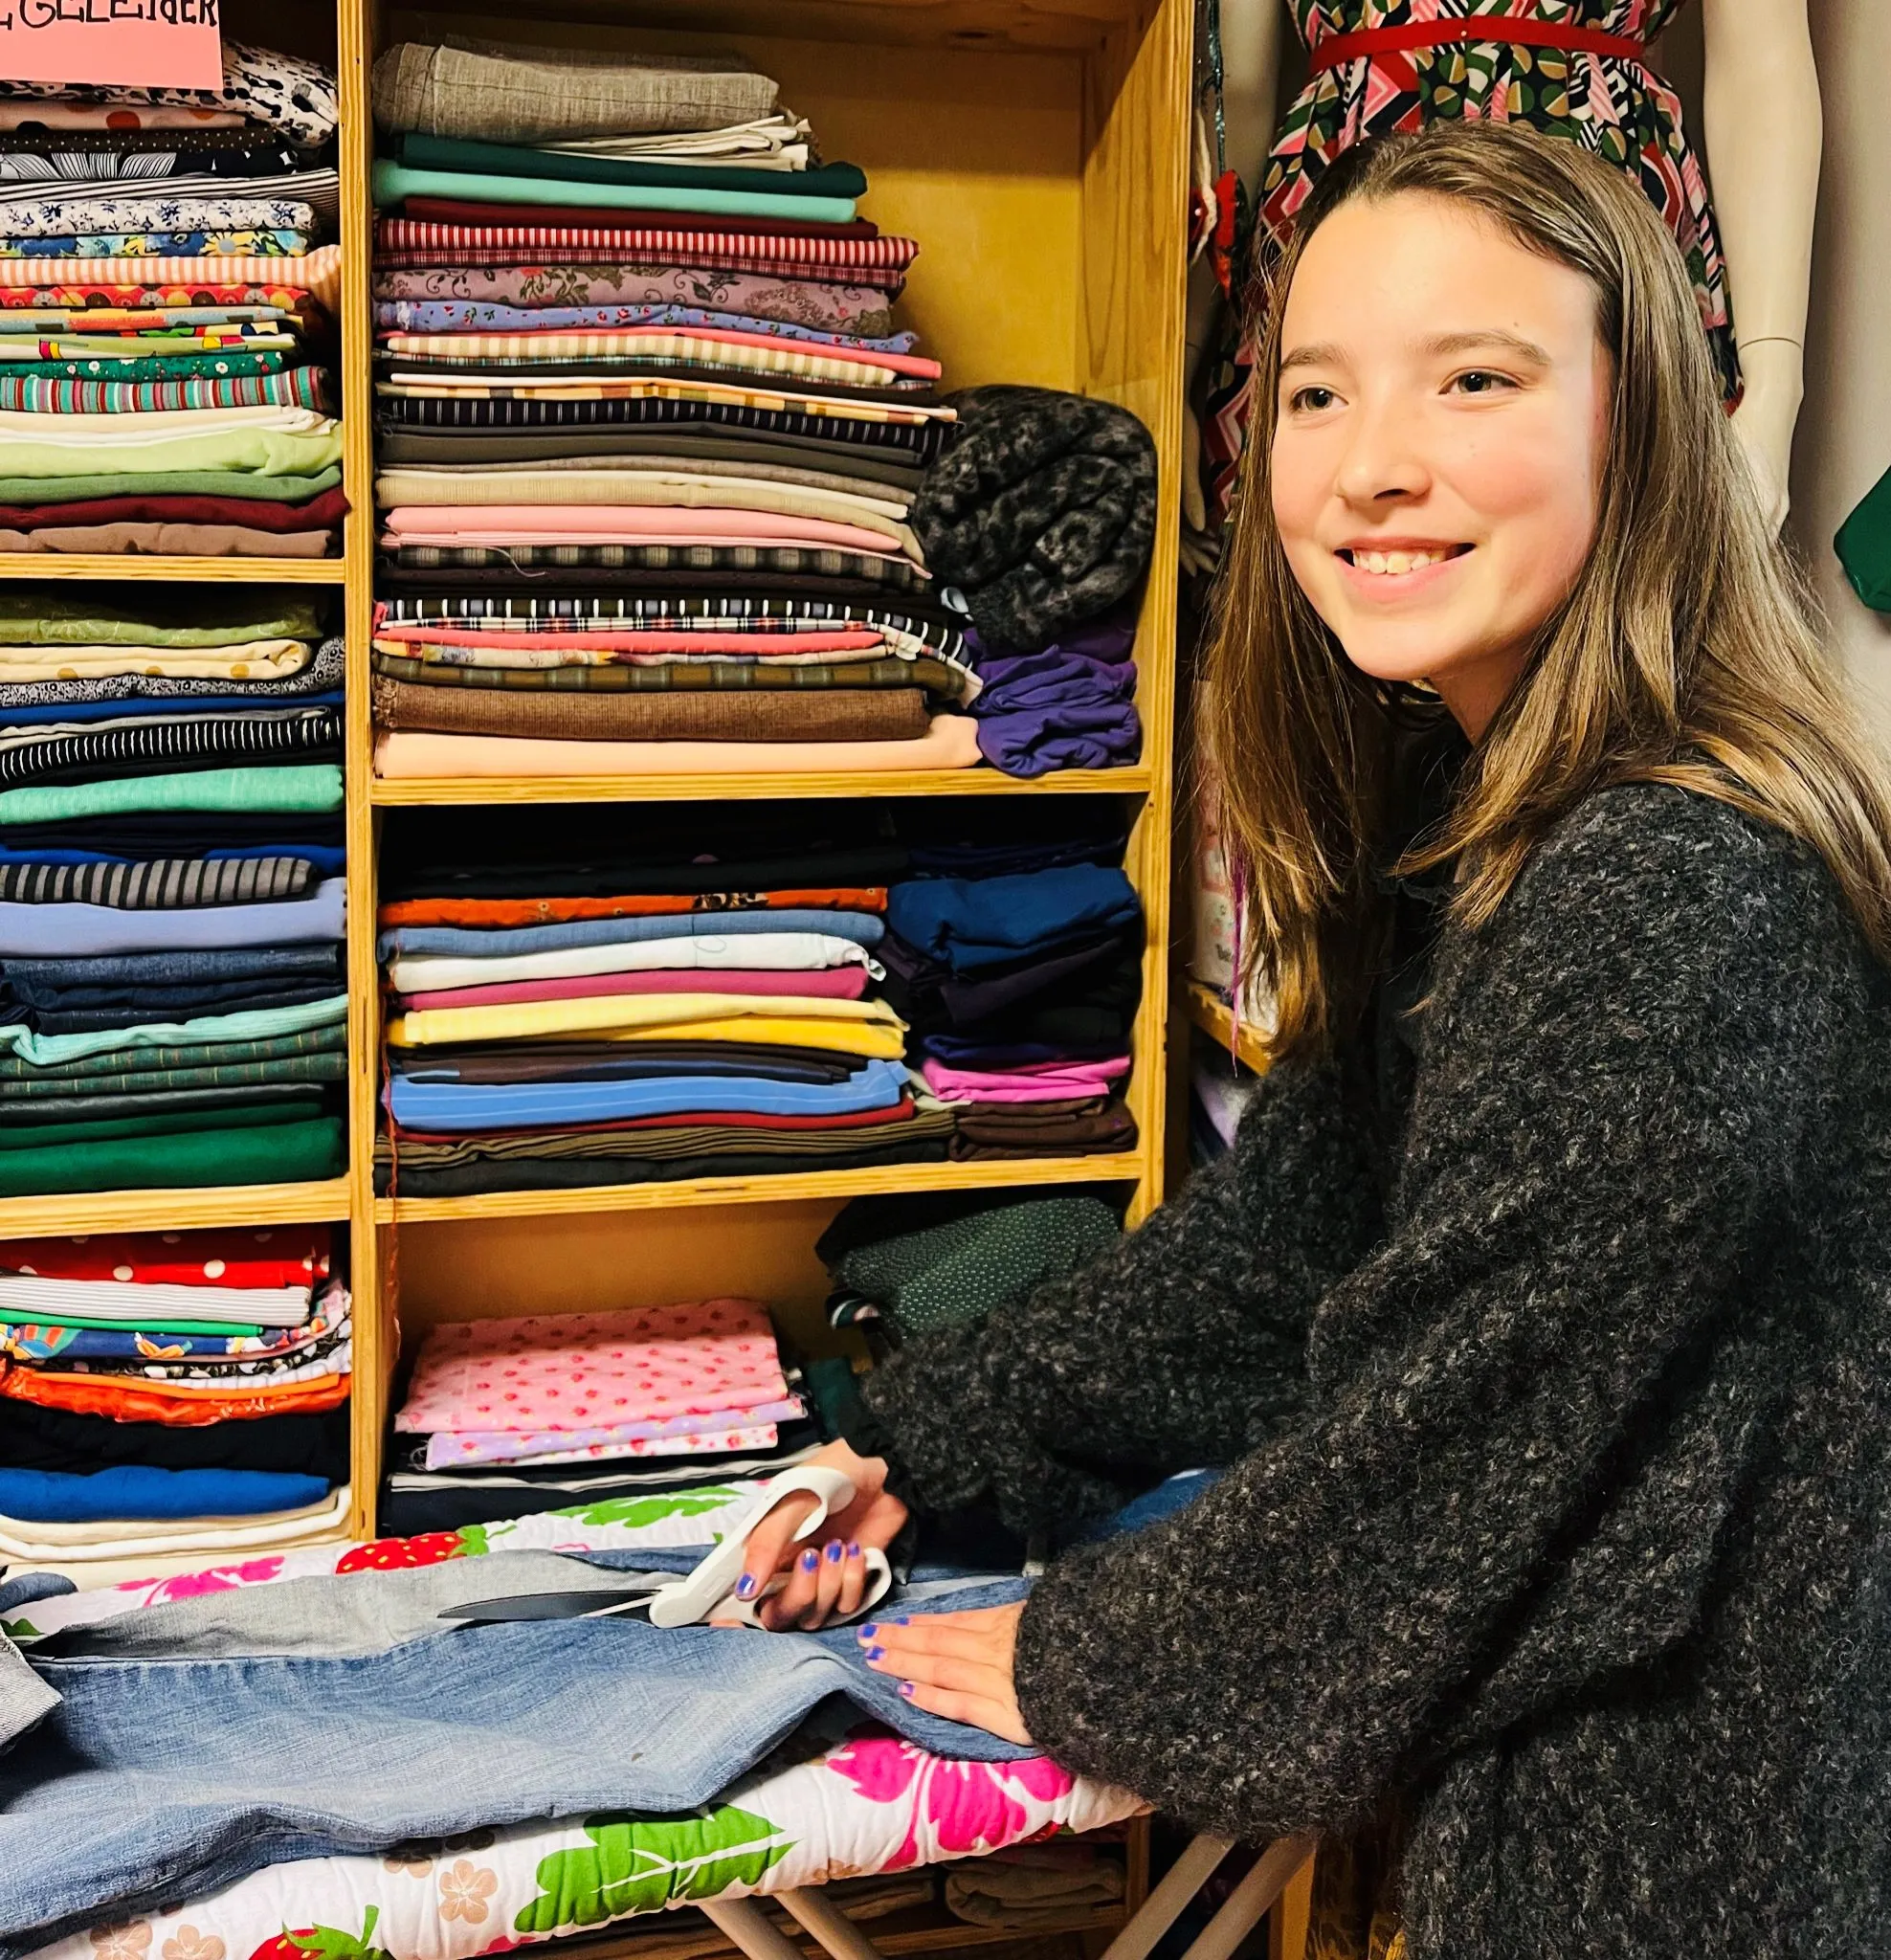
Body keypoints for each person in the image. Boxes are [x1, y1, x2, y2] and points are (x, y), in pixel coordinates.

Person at [732, 122, 1891, 1953]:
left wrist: (1085, 1655)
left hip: (1697, 1846)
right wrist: (925, 1437)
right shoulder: (1489, 808)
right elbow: (1291, 1257)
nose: (1372, 470)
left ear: (1638, 417)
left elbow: (1461, 1445)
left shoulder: (1679, 889)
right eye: (1316, 394)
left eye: (1476, 379)